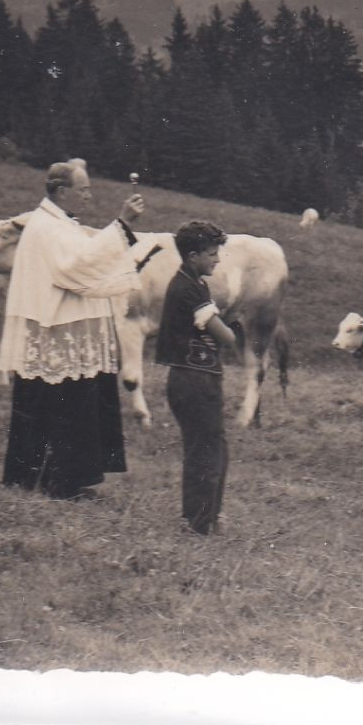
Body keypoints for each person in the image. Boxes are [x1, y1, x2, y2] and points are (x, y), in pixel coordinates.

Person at [0, 159, 145, 500]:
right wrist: (122, 224)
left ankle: (49, 480)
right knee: (63, 411)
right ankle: (59, 484)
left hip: (63, 330)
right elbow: (76, 268)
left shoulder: (58, 223)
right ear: (62, 192)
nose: (89, 197)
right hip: (56, 335)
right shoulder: (49, 227)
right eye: (83, 190)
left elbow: (82, 257)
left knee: (58, 409)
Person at [157, 221, 238, 534]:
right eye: (211, 253)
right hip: (195, 380)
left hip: (191, 377)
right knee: (206, 451)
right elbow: (226, 336)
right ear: (192, 256)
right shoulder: (190, 289)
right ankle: (200, 522)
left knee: (209, 448)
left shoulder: (190, 282)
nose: (217, 259)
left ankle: (205, 517)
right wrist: (231, 329)